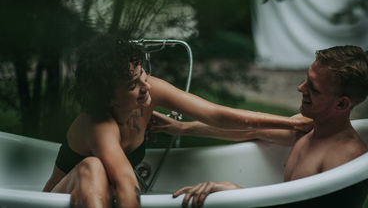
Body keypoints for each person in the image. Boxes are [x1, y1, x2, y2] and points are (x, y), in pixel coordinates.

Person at [42, 34, 312, 208]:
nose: (145, 87)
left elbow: (216, 114)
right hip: (53, 202)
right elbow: (127, 183)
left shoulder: (147, 94)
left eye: (143, 74)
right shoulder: (99, 126)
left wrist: (290, 123)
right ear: (107, 98)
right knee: (93, 167)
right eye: (132, 85)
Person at [151, 45, 368, 208]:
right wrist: (179, 128)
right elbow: (251, 130)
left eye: (313, 88)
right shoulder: (309, 127)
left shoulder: (344, 157)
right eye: (306, 79)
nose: (300, 88)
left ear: (341, 103)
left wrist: (236, 193)